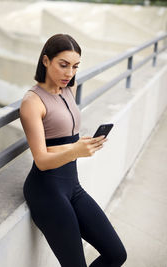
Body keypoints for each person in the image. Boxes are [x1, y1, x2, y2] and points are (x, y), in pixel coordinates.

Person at [19, 34, 127, 267]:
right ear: (46, 61)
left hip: (72, 186)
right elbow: (41, 160)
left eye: (75, 66)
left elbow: (65, 134)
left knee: (116, 254)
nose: (69, 73)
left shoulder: (69, 87)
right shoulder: (32, 102)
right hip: (46, 191)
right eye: (63, 65)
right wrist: (76, 151)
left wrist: (83, 144)